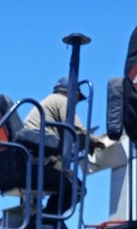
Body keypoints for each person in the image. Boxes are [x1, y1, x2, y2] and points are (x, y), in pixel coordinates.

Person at [22, 77, 104, 218]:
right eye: (77, 99)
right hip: (43, 156)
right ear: (73, 94)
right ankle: (46, 221)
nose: (76, 104)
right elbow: (78, 130)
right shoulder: (63, 101)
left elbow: (63, 138)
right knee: (76, 189)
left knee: (66, 184)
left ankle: (42, 220)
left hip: (30, 155)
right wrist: (96, 142)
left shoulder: (47, 103)